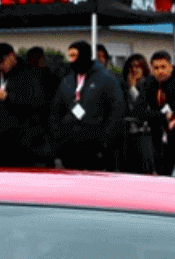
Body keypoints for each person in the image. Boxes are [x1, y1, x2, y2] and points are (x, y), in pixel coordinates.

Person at [49, 40, 121, 172]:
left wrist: (104, 142)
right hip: (69, 148)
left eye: (73, 55)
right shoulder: (67, 80)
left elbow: (115, 111)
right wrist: (59, 140)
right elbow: (55, 110)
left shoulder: (105, 79)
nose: (70, 60)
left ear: (83, 55)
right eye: (69, 56)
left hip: (95, 149)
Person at [0, 43, 46, 168]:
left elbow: (36, 103)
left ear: (12, 56)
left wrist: (8, 97)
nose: (0, 65)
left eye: (3, 61)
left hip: (21, 143)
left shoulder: (29, 75)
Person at [117, 53, 157, 174]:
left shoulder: (150, 84)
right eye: (132, 67)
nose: (135, 70)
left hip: (144, 135)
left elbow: (139, 110)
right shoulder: (122, 86)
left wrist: (133, 89)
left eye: (138, 66)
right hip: (126, 136)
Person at [148, 50, 175, 175]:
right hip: (157, 136)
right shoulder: (148, 83)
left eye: (163, 67)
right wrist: (163, 116)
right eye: (156, 68)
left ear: (171, 67)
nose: (160, 71)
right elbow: (138, 111)